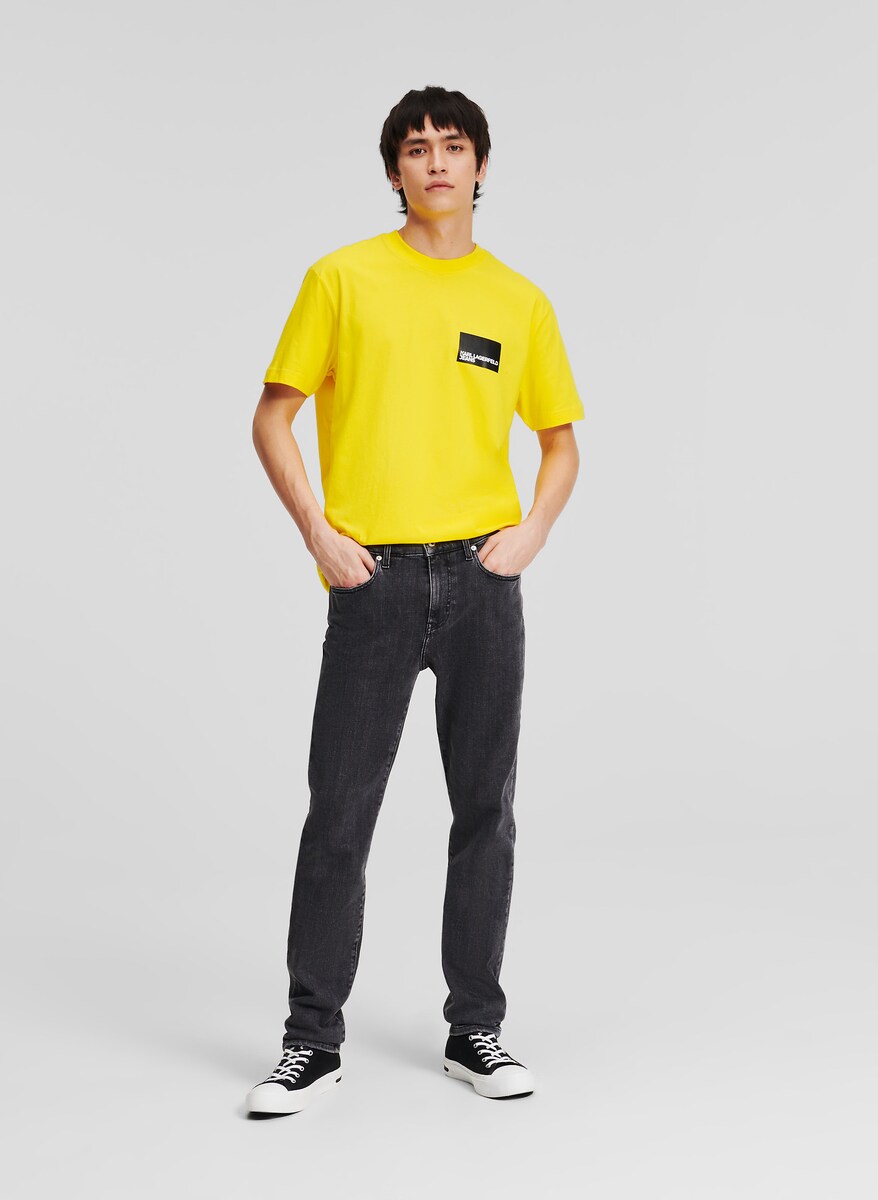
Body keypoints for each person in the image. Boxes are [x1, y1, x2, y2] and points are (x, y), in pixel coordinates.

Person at [246, 85, 584, 1116]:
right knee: (340, 813)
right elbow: (272, 417)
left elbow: (561, 443)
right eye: (416, 147)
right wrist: (319, 534)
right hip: (375, 581)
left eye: (454, 145)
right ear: (394, 170)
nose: (436, 162)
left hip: (483, 581)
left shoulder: (518, 301)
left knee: (486, 811)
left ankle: (474, 1029)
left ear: (482, 165)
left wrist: (528, 535)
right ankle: (311, 1042)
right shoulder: (342, 279)